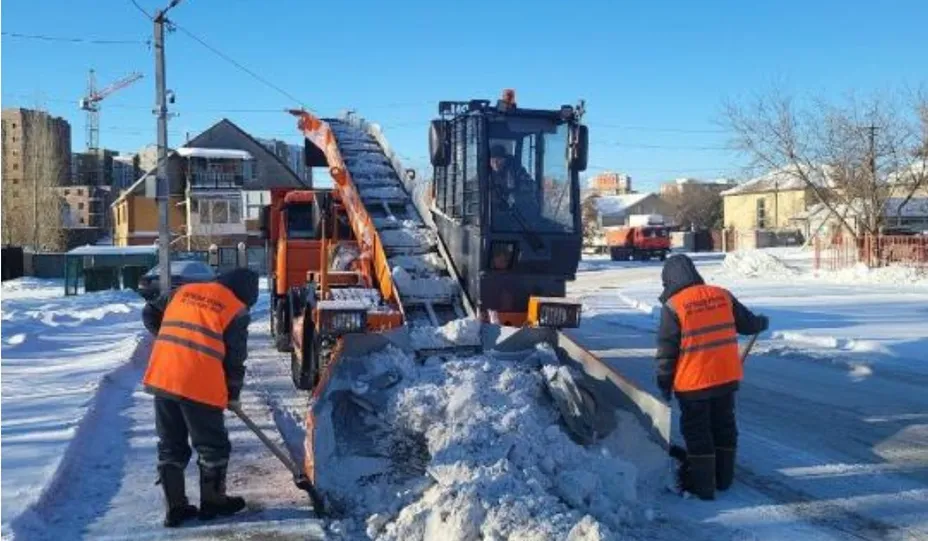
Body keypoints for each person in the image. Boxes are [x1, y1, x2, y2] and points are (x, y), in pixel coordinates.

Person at [141, 267, 259, 527]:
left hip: (163, 376)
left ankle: (176, 508)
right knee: (212, 446)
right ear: (244, 294)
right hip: (199, 383)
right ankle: (214, 502)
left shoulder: (183, 291)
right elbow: (235, 358)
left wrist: (167, 339)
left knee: (171, 444)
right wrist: (232, 394)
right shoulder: (235, 309)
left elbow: (149, 311)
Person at [655, 254, 768, 500]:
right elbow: (748, 324)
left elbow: (667, 352)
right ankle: (724, 479)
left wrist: (664, 383)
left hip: (693, 384)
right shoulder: (722, 295)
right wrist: (761, 322)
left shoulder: (674, 306)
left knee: (698, 432)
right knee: (724, 425)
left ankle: (703, 487)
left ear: (670, 280)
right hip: (726, 379)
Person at [489, 144, 534, 208]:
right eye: (492, 160)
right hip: (490, 213)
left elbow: (530, 187)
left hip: (516, 212)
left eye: (499, 159)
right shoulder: (485, 174)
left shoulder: (517, 171)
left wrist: (515, 196)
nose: (495, 163)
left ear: (505, 159)